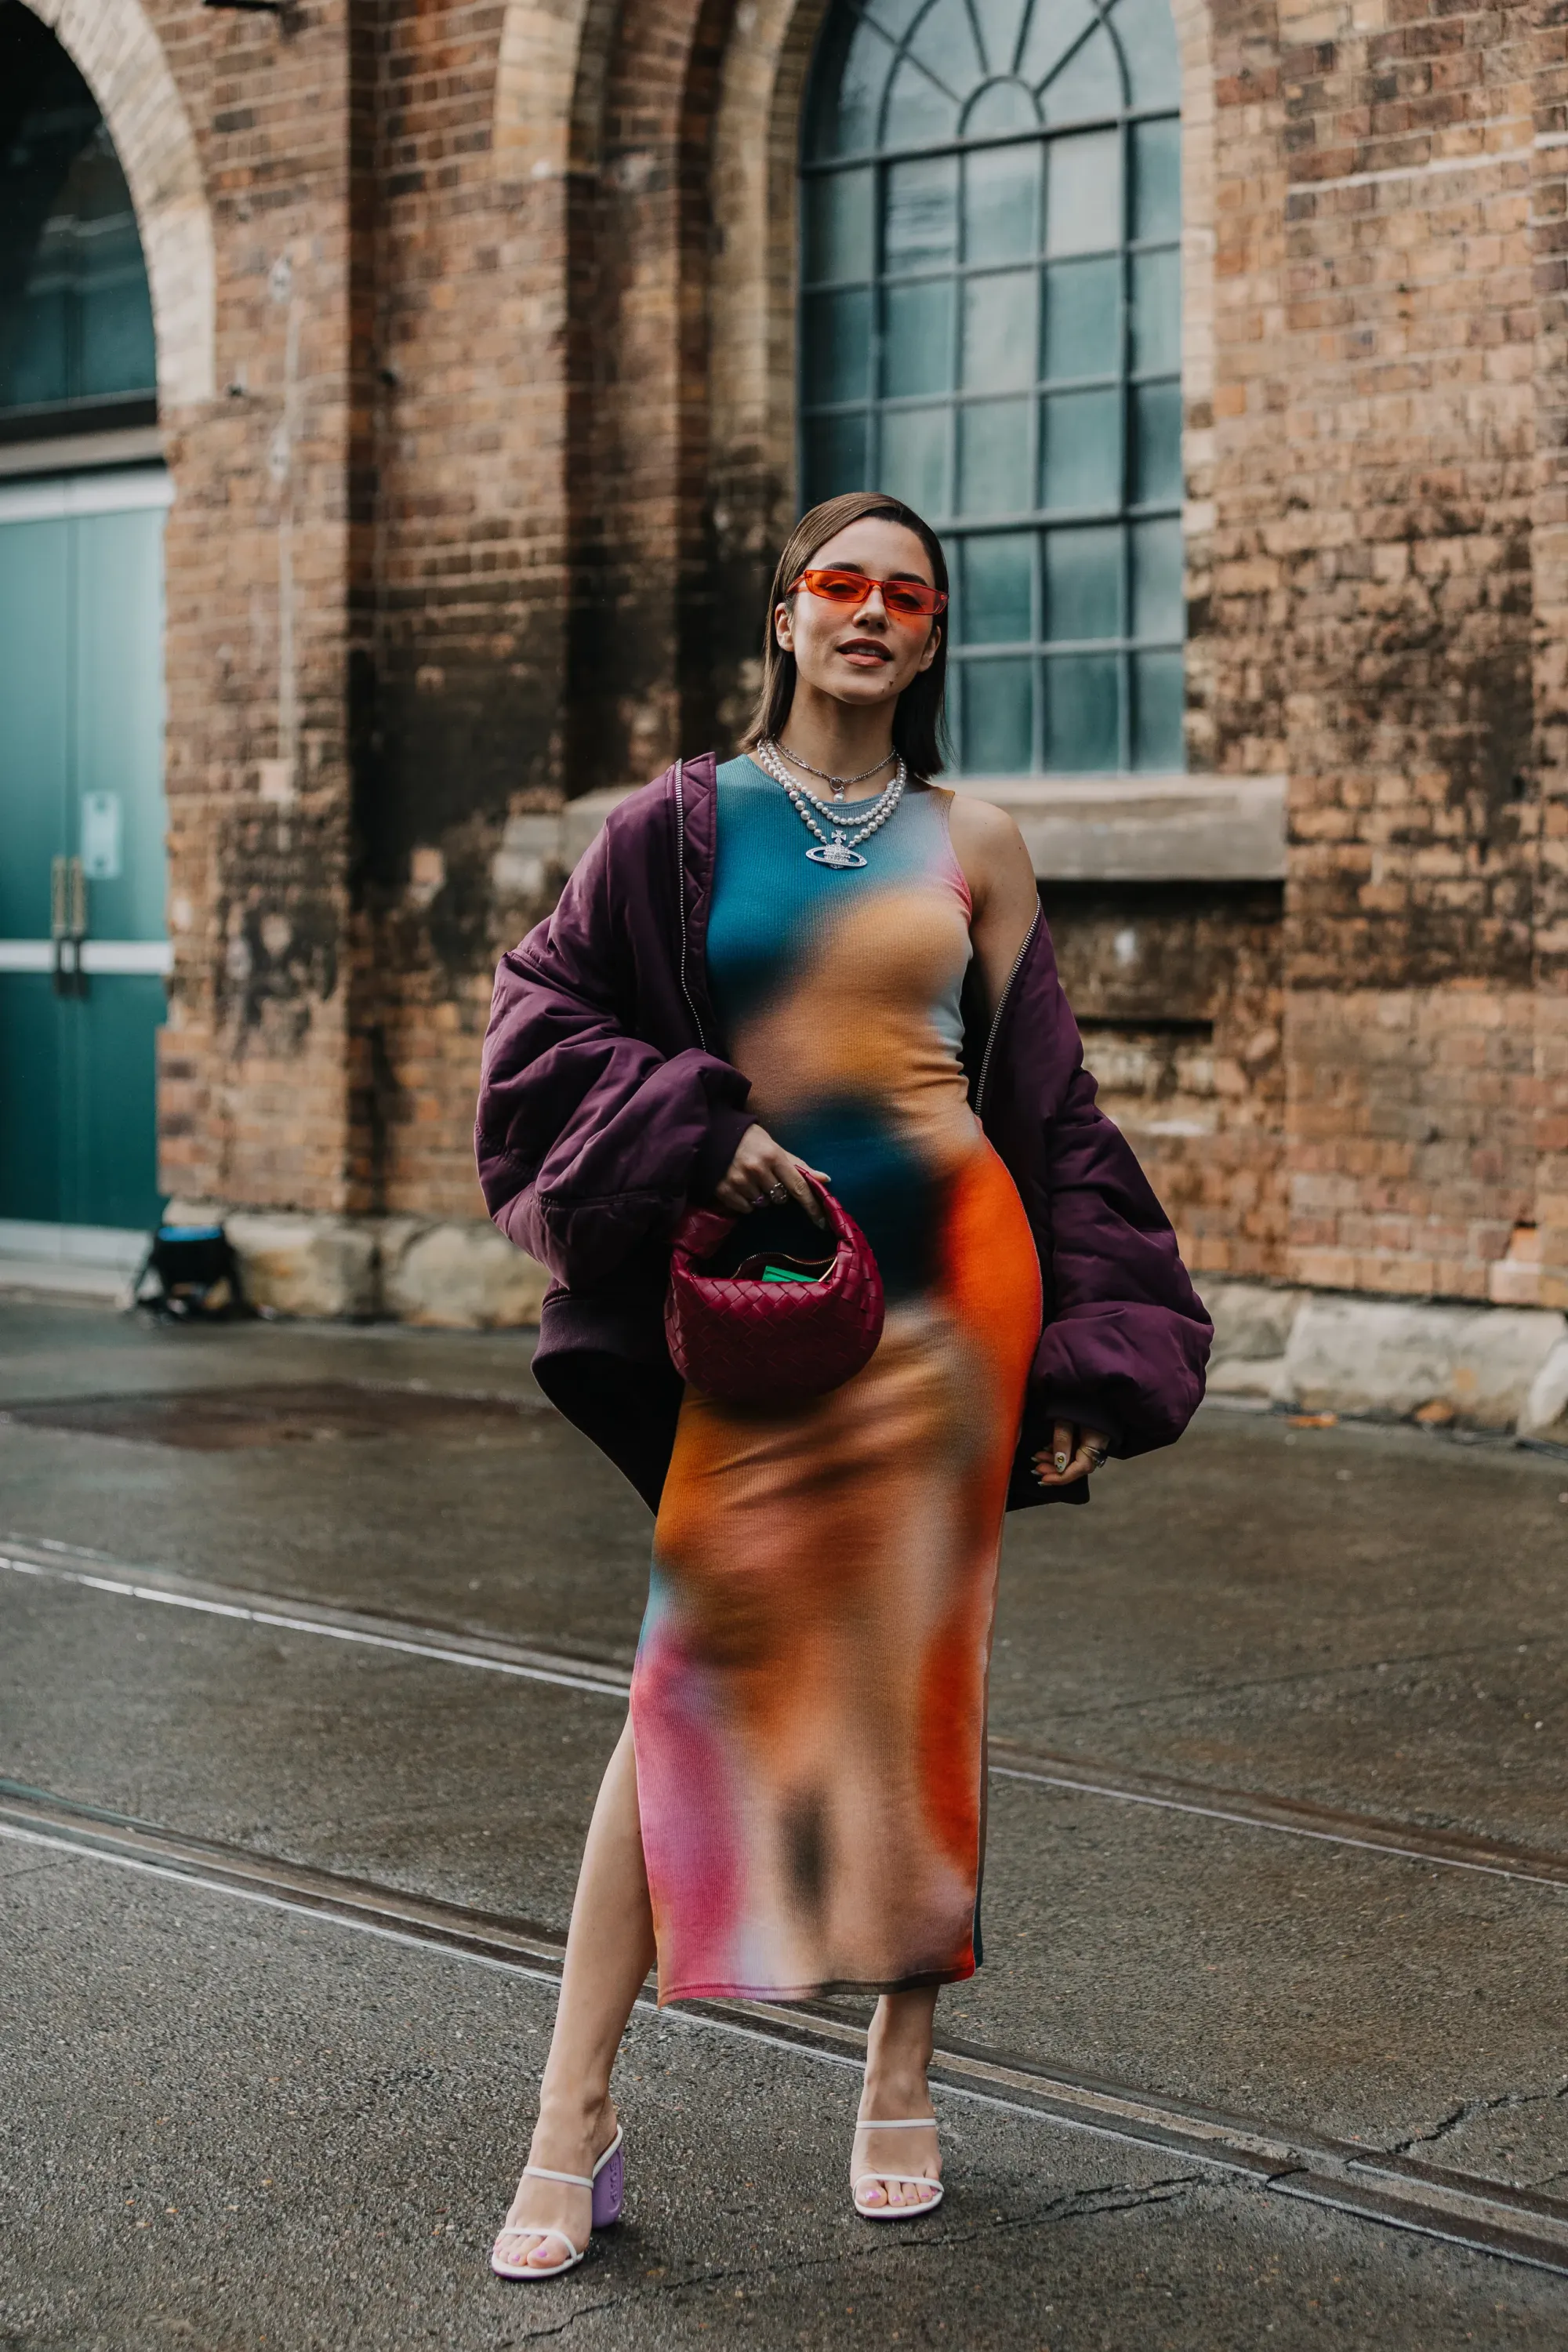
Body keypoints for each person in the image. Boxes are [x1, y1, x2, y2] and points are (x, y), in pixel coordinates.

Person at [474, 491, 1210, 2278]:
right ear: (784, 618)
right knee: (685, 1681)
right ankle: (574, 2107)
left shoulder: (981, 840)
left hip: (954, 1305)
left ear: (933, 636)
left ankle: (899, 2062)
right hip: (768, 1307)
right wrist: (693, 1132)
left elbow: (1054, 1119)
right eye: (839, 585)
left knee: (915, 1685)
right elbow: (539, 1026)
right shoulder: (676, 826)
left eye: (907, 595)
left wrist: (1087, 1360)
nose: (871, 612)